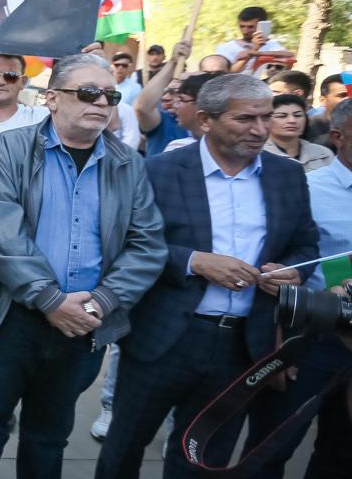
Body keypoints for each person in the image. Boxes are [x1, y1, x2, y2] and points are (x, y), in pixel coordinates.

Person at [97, 74, 320, 479]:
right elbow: (125, 244)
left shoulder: (286, 175)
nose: (259, 130)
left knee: (204, 458)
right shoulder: (159, 171)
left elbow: (306, 247)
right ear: (205, 120)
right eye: (245, 119)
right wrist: (193, 261)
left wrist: (293, 272)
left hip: (243, 344)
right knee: (125, 446)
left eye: (265, 117)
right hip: (164, 339)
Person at [0, 53, 166, 479]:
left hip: (84, 325)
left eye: (109, 96)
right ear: (52, 98)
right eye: (88, 93)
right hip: (10, 319)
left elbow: (147, 246)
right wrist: (50, 300)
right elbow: (1, 234)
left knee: (48, 437)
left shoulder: (129, 165)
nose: (101, 102)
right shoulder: (10, 148)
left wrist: (100, 303)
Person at [244, 95, 352, 477]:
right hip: (310, 342)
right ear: (338, 136)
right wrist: (276, 349)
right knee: (270, 450)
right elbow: (272, 271)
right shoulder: (306, 190)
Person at [135, 40, 194, 156]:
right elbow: (142, 108)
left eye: (176, 92)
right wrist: (173, 61)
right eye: (166, 91)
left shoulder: (210, 126)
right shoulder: (164, 120)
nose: (166, 97)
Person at [265, 94, 334, 172]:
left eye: (298, 115)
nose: (292, 120)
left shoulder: (323, 154)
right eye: (282, 116)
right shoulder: (257, 155)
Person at [216, 7, 289, 74]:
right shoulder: (225, 48)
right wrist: (253, 50)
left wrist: (254, 52)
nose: (245, 31)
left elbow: (289, 55)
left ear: (262, 26)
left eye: (250, 27)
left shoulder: (271, 45)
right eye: (242, 26)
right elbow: (227, 74)